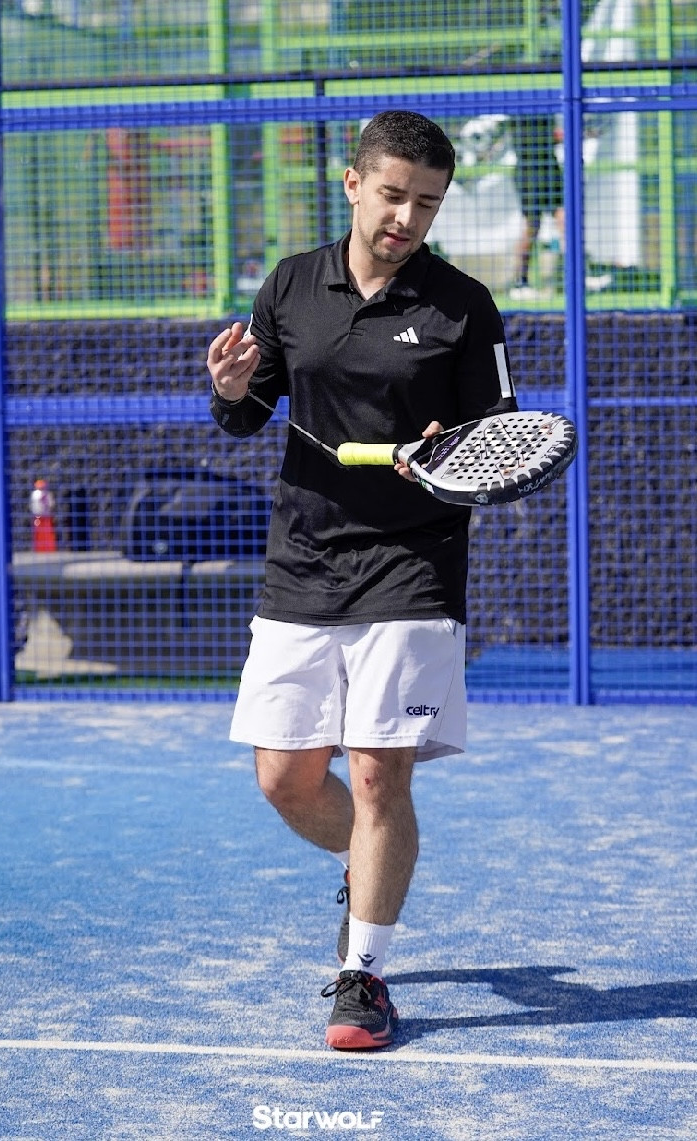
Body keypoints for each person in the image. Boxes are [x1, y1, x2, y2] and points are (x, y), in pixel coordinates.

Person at [206, 110, 517, 1050]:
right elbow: (249, 413)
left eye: (426, 203)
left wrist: (445, 453)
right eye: (391, 196)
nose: (405, 218)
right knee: (284, 779)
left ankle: (363, 976)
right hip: (303, 561)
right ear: (352, 185)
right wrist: (231, 388)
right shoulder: (290, 284)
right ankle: (369, 862)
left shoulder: (463, 306)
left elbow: (501, 442)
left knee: (379, 770)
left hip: (413, 565)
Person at [510, 115, 565, 299]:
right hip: (529, 169)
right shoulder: (518, 111)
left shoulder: (549, 109)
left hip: (549, 167)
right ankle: (520, 282)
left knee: (565, 218)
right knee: (532, 225)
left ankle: (578, 274)